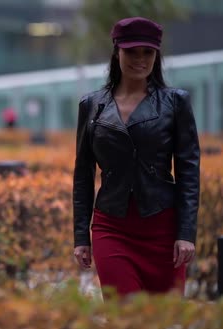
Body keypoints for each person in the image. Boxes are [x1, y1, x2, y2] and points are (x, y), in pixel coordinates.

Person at [72, 17, 200, 299]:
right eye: (132, 51)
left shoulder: (175, 103)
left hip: (163, 230)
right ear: (117, 52)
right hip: (112, 227)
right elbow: (83, 174)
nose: (140, 59)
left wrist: (186, 232)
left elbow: (189, 171)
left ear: (157, 55)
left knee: (158, 321)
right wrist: (81, 237)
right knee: (126, 318)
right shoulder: (92, 105)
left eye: (148, 52)